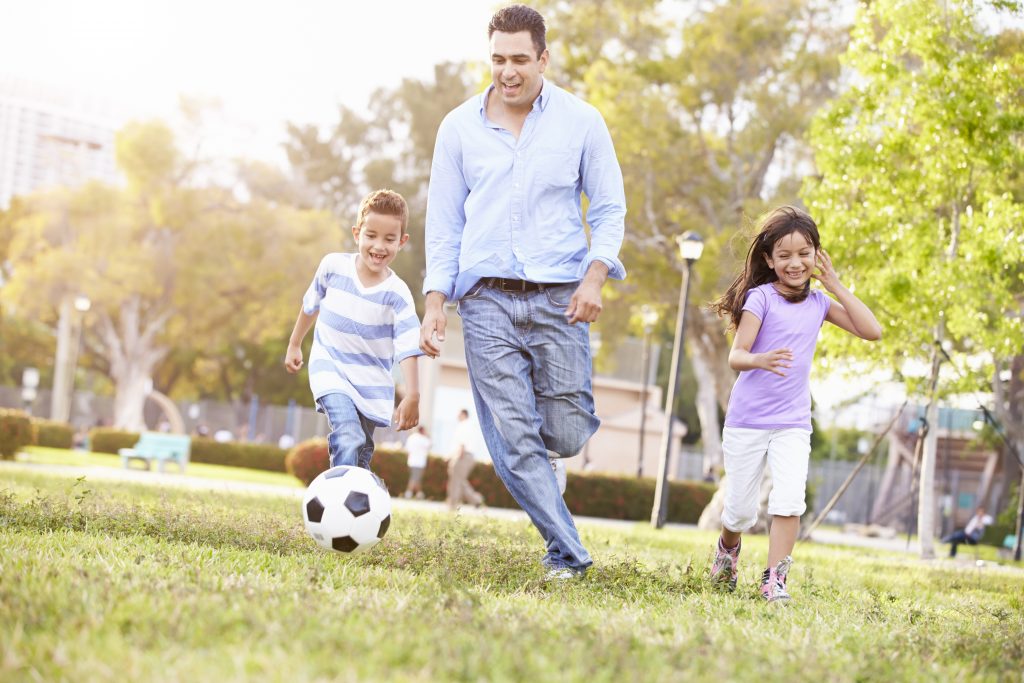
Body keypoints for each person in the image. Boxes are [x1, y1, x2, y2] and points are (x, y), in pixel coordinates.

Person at [419, 4, 626, 579]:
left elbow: (609, 208)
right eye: (497, 59)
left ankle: (541, 469)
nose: (507, 72)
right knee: (512, 440)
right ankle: (569, 552)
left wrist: (594, 276)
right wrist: (436, 302)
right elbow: (443, 223)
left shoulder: (582, 122)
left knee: (562, 431)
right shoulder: (458, 128)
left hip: (561, 295)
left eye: (519, 60)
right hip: (484, 299)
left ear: (543, 58)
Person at [707, 206, 882, 603]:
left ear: (816, 254)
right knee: (739, 512)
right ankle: (728, 549)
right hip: (748, 421)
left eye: (804, 253)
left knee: (788, 500)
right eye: (784, 255)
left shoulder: (819, 304)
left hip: (793, 423)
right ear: (769, 260)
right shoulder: (760, 298)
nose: (795, 262)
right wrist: (760, 360)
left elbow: (872, 331)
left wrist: (835, 285)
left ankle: (775, 580)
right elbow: (737, 355)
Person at [285, 189, 422, 469]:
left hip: (371, 383)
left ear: (402, 241)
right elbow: (311, 304)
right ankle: (338, 500)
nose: (379, 246)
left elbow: (409, 345)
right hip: (331, 368)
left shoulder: (397, 294)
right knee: (348, 433)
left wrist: (413, 393)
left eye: (389, 239)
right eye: (371, 235)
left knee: (361, 450)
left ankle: (361, 502)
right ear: (357, 233)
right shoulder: (333, 267)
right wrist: (295, 343)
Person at [446, 410, 486, 510]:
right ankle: (476, 501)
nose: (457, 416)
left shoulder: (464, 425)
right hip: (467, 456)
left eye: (459, 414)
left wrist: (457, 456)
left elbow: (462, 442)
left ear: (464, 414)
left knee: (456, 481)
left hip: (463, 455)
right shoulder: (471, 426)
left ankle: (452, 505)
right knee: (460, 480)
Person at [403, 426, 431, 499]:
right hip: (419, 462)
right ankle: (408, 493)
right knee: (414, 478)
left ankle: (419, 494)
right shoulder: (424, 439)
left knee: (416, 478)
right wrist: (427, 435)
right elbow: (429, 445)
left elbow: (407, 450)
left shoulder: (411, 438)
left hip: (411, 461)